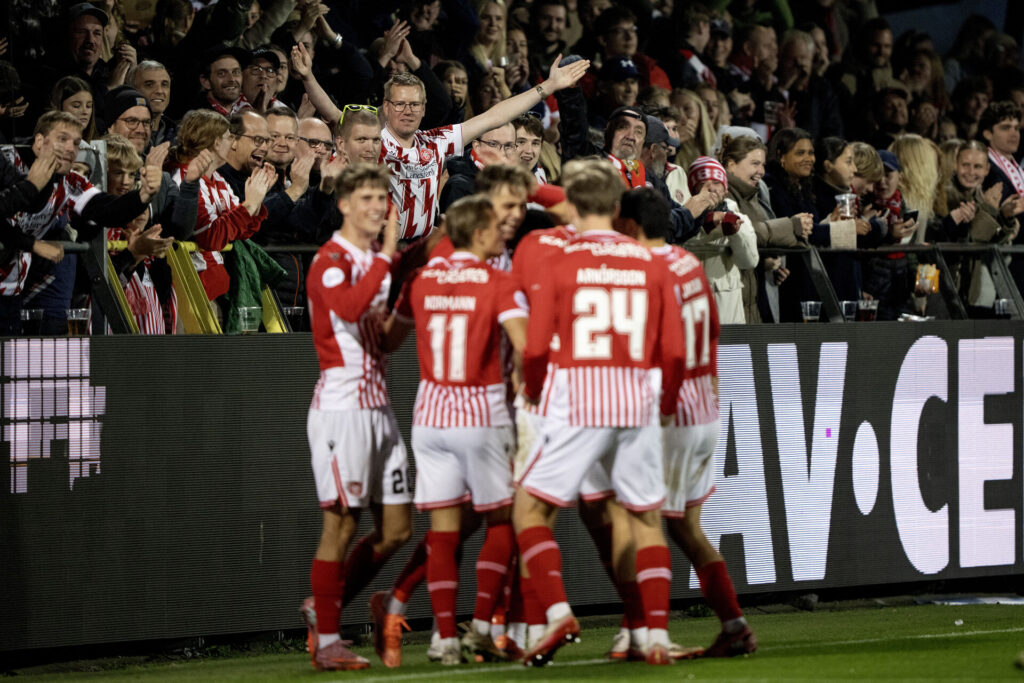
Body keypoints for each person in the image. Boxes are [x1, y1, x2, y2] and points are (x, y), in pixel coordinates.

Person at [513, 159, 684, 666]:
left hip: (578, 401)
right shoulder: (651, 262)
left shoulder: (559, 261)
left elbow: (536, 347)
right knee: (645, 519)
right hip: (636, 401)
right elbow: (673, 351)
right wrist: (666, 405)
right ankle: (654, 636)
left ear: (571, 204)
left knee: (530, 511)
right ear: (616, 206)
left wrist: (535, 392)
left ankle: (558, 612)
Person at [386, 194, 526, 665]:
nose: (501, 233)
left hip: (430, 415)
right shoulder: (498, 281)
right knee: (502, 520)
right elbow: (525, 347)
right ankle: (483, 626)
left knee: (443, 531)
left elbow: (388, 338)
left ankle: (444, 638)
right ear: (479, 233)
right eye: (493, 227)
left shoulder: (422, 280)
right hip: (481, 411)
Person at [622, 186, 757, 658]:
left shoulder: (646, 269)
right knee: (683, 526)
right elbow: (712, 329)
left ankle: (643, 631)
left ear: (629, 225)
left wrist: (661, 406)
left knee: (639, 519)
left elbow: (670, 350)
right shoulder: (686, 263)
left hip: (673, 410)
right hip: (704, 406)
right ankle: (734, 623)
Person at [300, 163, 411, 672]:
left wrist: (407, 305)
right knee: (341, 525)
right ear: (344, 204)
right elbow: (347, 307)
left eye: (381, 198)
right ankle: (327, 641)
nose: (376, 207)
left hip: (379, 409)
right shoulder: (331, 260)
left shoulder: (373, 262)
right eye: (366, 198)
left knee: (397, 530)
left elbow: (383, 338)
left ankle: (325, 607)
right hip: (342, 409)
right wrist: (389, 258)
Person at [0, 111, 161, 332]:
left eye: (76, 143)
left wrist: (144, 195)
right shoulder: (7, 161)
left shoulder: (69, 181)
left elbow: (106, 209)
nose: (70, 148)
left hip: (10, 291)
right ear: (39, 141)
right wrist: (33, 243)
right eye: (62, 139)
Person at [682, 156, 758, 323]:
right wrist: (710, 226)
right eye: (703, 183)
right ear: (693, 189)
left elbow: (749, 261)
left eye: (716, 182)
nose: (711, 188)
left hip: (729, 318)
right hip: (692, 313)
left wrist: (735, 230)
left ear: (725, 189)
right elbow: (682, 240)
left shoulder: (740, 217)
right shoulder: (682, 219)